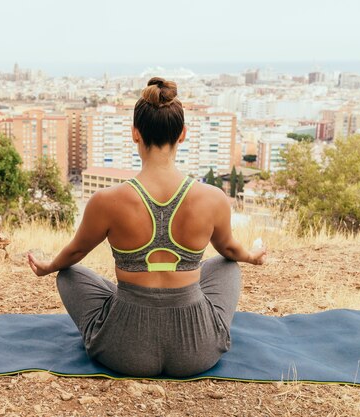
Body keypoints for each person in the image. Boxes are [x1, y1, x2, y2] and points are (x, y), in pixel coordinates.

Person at [27, 77, 267, 378]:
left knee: (68, 274)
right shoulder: (213, 198)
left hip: (124, 351)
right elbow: (231, 249)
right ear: (183, 135)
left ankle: (116, 319)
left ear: (134, 134)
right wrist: (253, 256)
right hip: (196, 352)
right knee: (227, 266)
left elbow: (74, 252)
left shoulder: (107, 201)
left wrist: (50, 266)